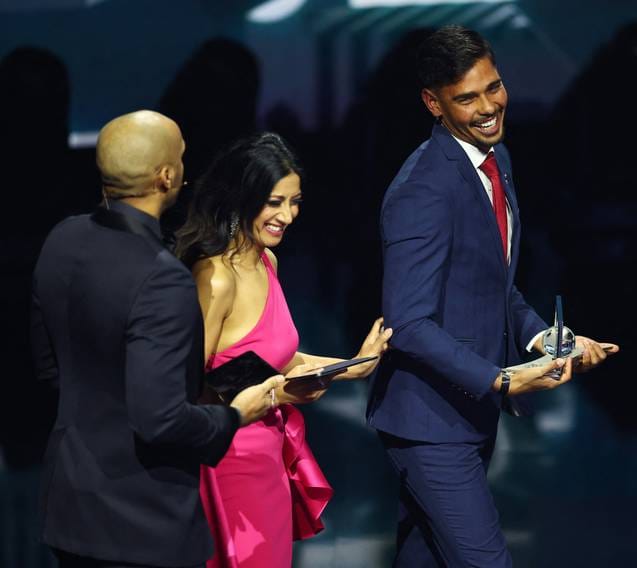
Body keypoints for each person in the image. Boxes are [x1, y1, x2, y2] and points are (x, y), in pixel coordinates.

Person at [366, 26, 620, 567]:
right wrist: (502, 378)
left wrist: (548, 338)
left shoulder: (494, 160)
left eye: (494, 87)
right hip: (430, 427)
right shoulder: (422, 189)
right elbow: (408, 324)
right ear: (433, 104)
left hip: (468, 417)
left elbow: (492, 285)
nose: (488, 107)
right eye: (467, 98)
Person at [30, 110, 280, 568]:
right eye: (182, 156)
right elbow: (160, 420)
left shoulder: (61, 239)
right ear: (167, 176)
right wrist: (235, 416)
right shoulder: (160, 277)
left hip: (70, 505)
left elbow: (50, 369)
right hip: (142, 520)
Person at [174, 132, 392, 568]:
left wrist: (355, 367)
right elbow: (185, 390)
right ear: (242, 197)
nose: (287, 215)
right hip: (228, 462)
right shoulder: (215, 280)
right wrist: (278, 394)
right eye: (275, 202)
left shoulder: (267, 262)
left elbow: (275, 359)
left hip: (269, 459)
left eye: (294, 202)